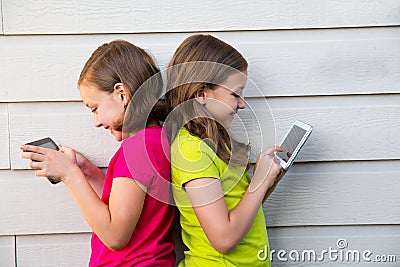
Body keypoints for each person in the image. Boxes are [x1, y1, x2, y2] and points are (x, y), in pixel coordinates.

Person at [20, 40, 176, 267]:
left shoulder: (136, 150)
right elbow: (127, 208)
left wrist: (70, 176)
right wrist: (87, 172)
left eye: (95, 108)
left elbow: (115, 236)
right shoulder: (154, 140)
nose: (95, 122)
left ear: (121, 94)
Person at [164, 34, 285, 266]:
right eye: (235, 94)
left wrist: (267, 179)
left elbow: (240, 209)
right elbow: (224, 238)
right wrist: (259, 181)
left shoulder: (215, 141)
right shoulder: (192, 151)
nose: (242, 103)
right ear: (201, 94)